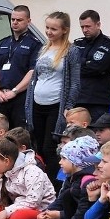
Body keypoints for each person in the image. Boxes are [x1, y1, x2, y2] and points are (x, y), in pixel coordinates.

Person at [24, 11, 81, 179]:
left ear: (64, 30)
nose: (49, 32)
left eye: (54, 29)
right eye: (47, 28)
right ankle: (38, 182)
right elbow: (36, 77)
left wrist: (69, 106)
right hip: (37, 103)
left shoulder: (71, 51)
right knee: (38, 146)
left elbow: (75, 82)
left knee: (51, 147)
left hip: (56, 105)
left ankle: (52, 185)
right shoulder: (44, 48)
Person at [21, 136, 100, 219]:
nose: (60, 162)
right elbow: (60, 200)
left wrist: (60, 215)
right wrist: (46, 213)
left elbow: (81, 213)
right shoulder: (71, 176)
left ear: (76, 161)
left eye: (64, 158)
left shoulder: (87, 181)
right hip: (67, 216)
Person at [0, 5, 40, 130]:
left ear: (28, 21)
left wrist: (14, 91)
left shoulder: (34, 44)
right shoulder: (4, 42)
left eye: (19, 20)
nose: (15, 22)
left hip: (20, 97)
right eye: (13, 19)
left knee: (18, 134)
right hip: (1, 97)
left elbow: (32, 72)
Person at [73, 10, 110, 122]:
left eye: (88, 26)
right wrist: (86, 63)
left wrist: (80, 63)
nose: (85, 30)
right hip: (77, 99)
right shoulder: (78, 43)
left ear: (98, 24)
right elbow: (69, 66)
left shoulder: (108, 44)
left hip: (97, 100)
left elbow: (97, 68)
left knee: (97, 134)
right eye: (82, 27)